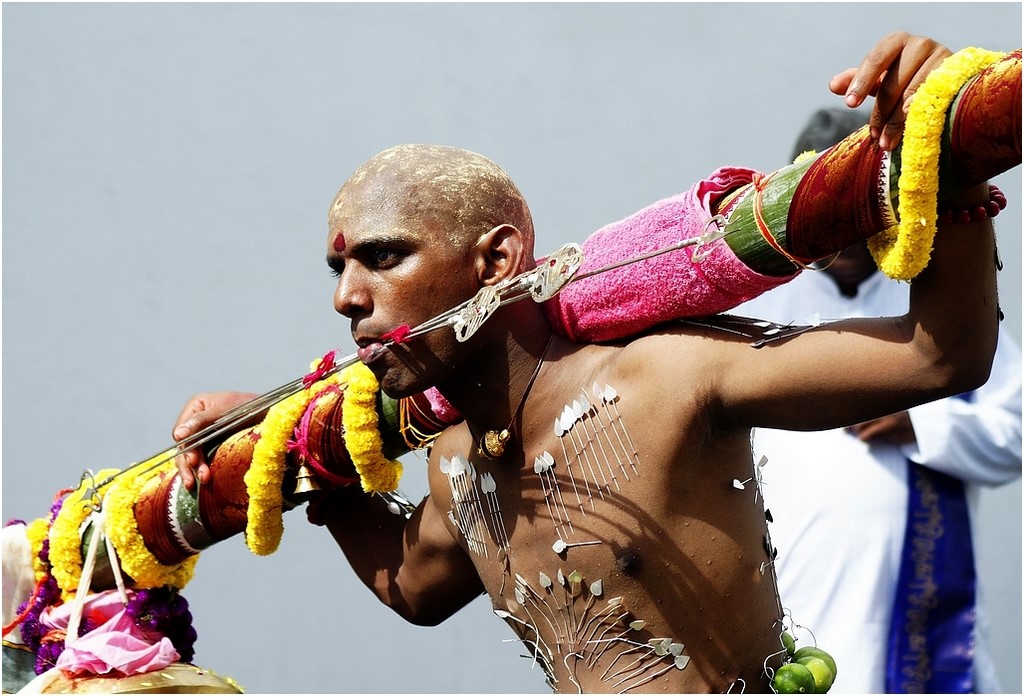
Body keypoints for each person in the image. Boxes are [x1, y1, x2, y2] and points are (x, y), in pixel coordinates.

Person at [172, 33, 1005, 692]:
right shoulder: (455, 460)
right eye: (339, 270)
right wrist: (290, 445)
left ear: (495, 262)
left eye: (383, 259)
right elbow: (415, 590)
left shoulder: (665, 379)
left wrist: (940, 151)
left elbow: (940, 356)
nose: (347, 298)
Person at [735, 108, 1022, 693]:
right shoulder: (748, 315)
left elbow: (1014, 435)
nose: (840, 229)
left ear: (886, 204)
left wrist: (919, 423)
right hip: (789, 590)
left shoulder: (943, 312)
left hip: (912, 610)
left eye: (856, 205)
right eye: (825, 209)